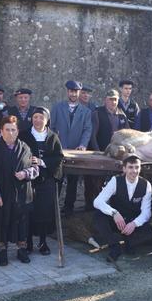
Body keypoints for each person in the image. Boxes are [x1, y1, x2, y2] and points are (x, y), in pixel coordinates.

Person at [0, 116, 39, 266]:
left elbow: (35, 169)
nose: (10, 133)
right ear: (1, 131)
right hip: (2, 194)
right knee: (2, 222)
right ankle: (2, 251)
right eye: (7, 130)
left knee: (22, 223)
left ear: (17, 131)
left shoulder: (25, 148)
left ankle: (21, 250)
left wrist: (26, 174)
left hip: (22, 194)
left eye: (13, 130)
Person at [93, 154, 152, 263]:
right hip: (116, 220)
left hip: (132, 221)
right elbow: (97, 202)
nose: (134, 171)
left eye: (137, 167)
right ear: (124, 169)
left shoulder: (146, 185)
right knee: (98, 217)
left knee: (149, 232)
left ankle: (129, 242)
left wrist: (134, 224)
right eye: (130, 167)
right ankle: (114, 246)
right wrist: (114, 213)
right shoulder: (115, 181)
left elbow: (146, 212)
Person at [19, 107, 64, 255]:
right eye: (35, 117)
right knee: (29, 211)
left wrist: (42, 161)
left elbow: (58, 157)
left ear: (47, 120)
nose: (38, 120)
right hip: (29, 180)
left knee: (45, 212)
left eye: (41, 117)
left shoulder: (53, 136)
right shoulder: (24, 134)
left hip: (46, 180)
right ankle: (29, 242)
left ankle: (43, 242)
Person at [50, 81, 92, 215]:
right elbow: (51, 128)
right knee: (57, 180)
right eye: (71, 91)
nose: (73, 94)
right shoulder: (57, 107)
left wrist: (83, 145)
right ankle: (53, 208)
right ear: (67, 92)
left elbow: (87, 130)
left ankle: (68, 209)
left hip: (76, 152)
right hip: (59, 150)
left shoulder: (86, 111)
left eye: (76, 91)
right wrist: (54, 145)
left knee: (73, 181)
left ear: (79, 93)